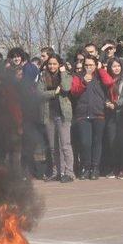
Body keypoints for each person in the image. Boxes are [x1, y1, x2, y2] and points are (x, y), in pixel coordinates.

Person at [70, 54, 113, 179]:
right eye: (86, 65)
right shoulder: (78, 76)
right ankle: (86, 167)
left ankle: (95, 168)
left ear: (95, 65)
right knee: (85, 142)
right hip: (83, 114)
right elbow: (74, 91)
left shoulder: (100, 75)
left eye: (91, 65)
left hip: (98, 113)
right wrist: (84, 82)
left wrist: (100, 69)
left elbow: (109, 82)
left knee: (97, 142)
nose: (89, 67)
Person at [38, 54, 74, 183]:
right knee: (53, 147)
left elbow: (66, 88)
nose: (52, 66)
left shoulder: (66, 75)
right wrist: (54, 93)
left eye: (55, 64)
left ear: (60, 64)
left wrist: (63, 73)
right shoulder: (43, 77)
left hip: (63, 114)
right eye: (50, 64)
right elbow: (39, 93)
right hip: (49, 115)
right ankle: (56, 172)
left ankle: (69, 172)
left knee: (65, 145)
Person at [103, 58, 123, 179]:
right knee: (112, 142)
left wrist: (115, 104)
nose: (116, 68)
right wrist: (107, 103)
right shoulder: (108, 80)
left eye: (118, 66)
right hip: (111, 115)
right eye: (113, 66)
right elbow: (104, 94)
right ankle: (114, 168)